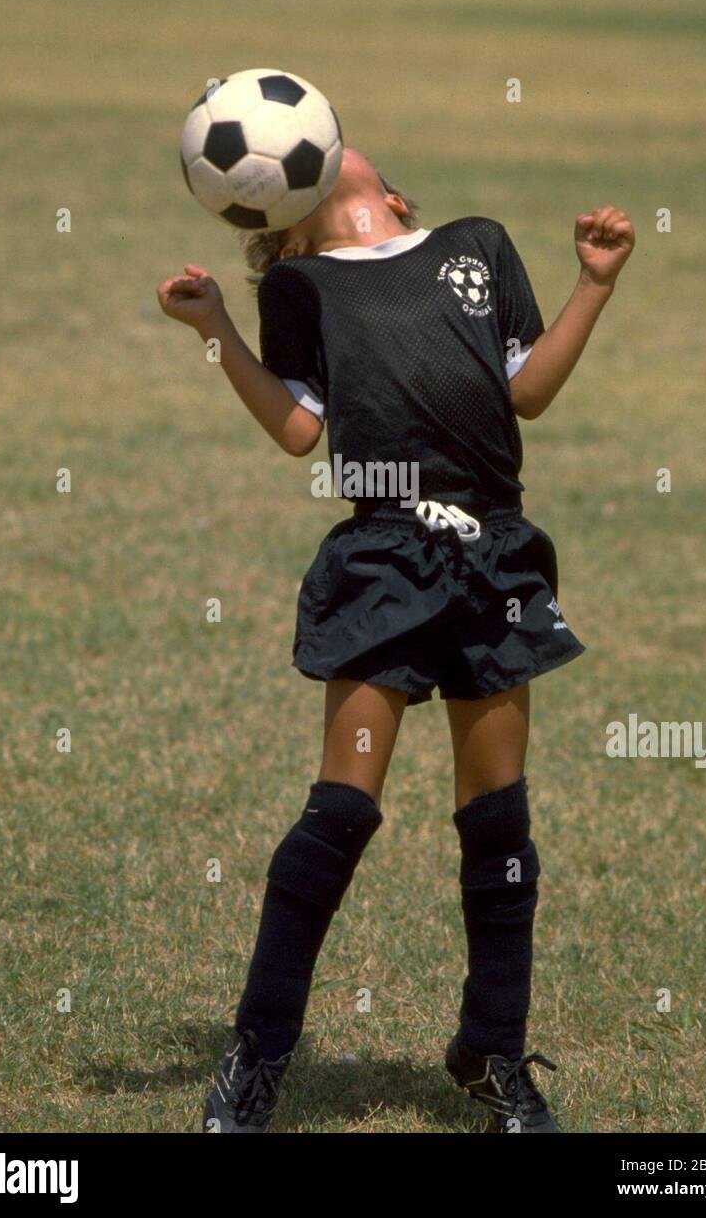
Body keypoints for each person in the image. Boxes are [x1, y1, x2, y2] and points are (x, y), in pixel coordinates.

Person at [157, 147, 635, 1133]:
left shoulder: (474, 245)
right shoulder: (300, 283)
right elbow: (298, 430)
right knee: (338, 810)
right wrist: (212, 328)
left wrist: (591, 286)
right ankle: (257, 1056)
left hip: (492, 552)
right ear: (278, 219)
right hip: (381, 557)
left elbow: (527, 390)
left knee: (497, 818)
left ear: (395, 191)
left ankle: (491, 1054)